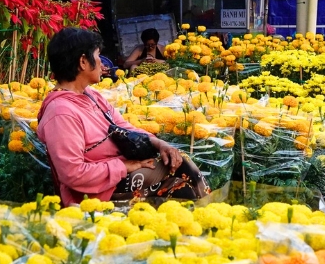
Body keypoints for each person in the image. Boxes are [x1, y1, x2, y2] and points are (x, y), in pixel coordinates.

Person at [37, 28, 209, 207]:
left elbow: (122, 126)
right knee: (180, 178)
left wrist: (160, 144)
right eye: (97, 55)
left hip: (119, 173)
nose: (101, 62)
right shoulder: (61, 113)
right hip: (97, 193)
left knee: (179, 168)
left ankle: (208, 215)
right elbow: (73, 173)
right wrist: (124, 166)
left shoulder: (90, 95)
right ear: (83, 62)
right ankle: (210, 216)